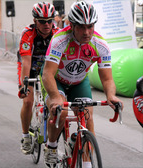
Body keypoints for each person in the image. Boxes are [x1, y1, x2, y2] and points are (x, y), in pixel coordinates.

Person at [42, 1, 124, 168]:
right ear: (71, 25)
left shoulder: (101, 45)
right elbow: (47, 74)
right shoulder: (60, 40)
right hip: (57, 80)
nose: (87, 32)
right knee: (61, 112)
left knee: (87, 117)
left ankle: (86, 164)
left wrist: (111, 96)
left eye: (90, 26)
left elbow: (107, 79)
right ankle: (51, 146)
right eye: (81, 27)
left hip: (79, 82)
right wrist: (56, 98)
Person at [17, 2, 60, 155]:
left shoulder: (57, 33)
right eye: (42, 21)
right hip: (31, 67)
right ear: (35, 21)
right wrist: (24, 84)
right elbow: (26, 63)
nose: (47, 24)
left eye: (50, 20)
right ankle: (25, 136)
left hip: (47, 68)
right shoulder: (28, 33)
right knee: (28, 101)